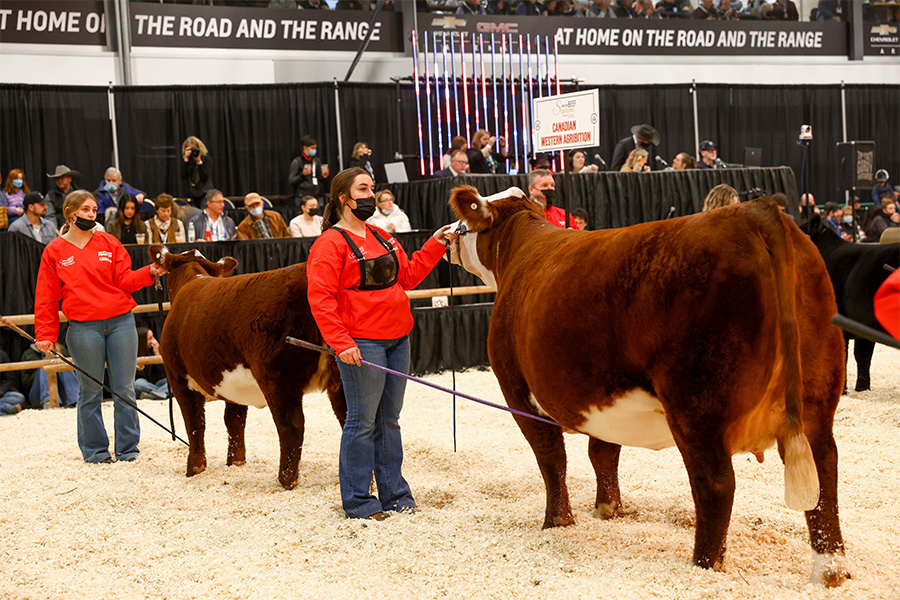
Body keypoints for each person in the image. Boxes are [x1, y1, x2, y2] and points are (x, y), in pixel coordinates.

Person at [306, 166, 457, 520]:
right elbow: (321, 298)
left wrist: (436, 243)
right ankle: (359, 501)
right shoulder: (330, 243)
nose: (370, 196)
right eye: (363, 189)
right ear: (343, 198)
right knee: (362, 421)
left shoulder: (382, 235)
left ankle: (395, 494)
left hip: (398, 337)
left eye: (372, 189)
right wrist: (341, 342)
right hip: (362, 343)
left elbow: (407, 276)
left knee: (389, 419)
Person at [34, 190, 166, 463]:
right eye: (85, 210)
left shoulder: (109, 242)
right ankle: (95, 452)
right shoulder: (54, 251)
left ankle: (128, 450)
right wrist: (45, 335)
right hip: (83, 328)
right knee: (90, 391)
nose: (91, 214)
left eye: (94, 210)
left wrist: (149, 272)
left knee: (125, 388)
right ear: (71, 214)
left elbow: (126, 280)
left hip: (121, 322)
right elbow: (46, 297)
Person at [20, 335, 79, 409]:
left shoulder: (61, 349)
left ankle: (76, 399)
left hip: (64, 393)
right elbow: (25, 384)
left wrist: (63, 360)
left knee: (61, 361)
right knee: (46, 361)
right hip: (38, 394)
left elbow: (77, 374)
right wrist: (40, 369)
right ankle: (48, 400)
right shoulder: (28, 354)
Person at [288, 134, 330, 202]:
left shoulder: (317, 160)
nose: (314, 150)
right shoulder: (297, 162)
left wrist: (324, 176)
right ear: (305, 147)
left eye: (315, 148)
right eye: (312, 148)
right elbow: (291, 181)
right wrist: (303, 174)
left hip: (318, 195)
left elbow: (319, 178)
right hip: (303, 197)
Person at [134, 327, 169, 400]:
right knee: (138, 384)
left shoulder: (154, 350)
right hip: (145, 385)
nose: (154, 341)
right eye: (150, 338)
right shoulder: (134, 353)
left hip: (158, 383)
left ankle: (155, 395)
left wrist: (157, 354)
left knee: (171, 382)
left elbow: (164, 374)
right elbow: (138, 377)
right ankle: (162, 393)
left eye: (153, 337)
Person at [181, 136, 214, 207]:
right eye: (190, 150)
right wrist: (186, 161)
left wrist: (199, 162)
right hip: (192, 196)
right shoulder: (188, 162)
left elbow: (205, 177)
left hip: (205, 194)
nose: (193, 152)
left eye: (194, 149)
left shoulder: (206, 159)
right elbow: (183, 176)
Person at [0, 349, 26, 416]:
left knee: (19, 397)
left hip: (1, 394)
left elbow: (10, 378)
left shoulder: (2, 355)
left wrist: (1, 391)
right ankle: (5, 408)